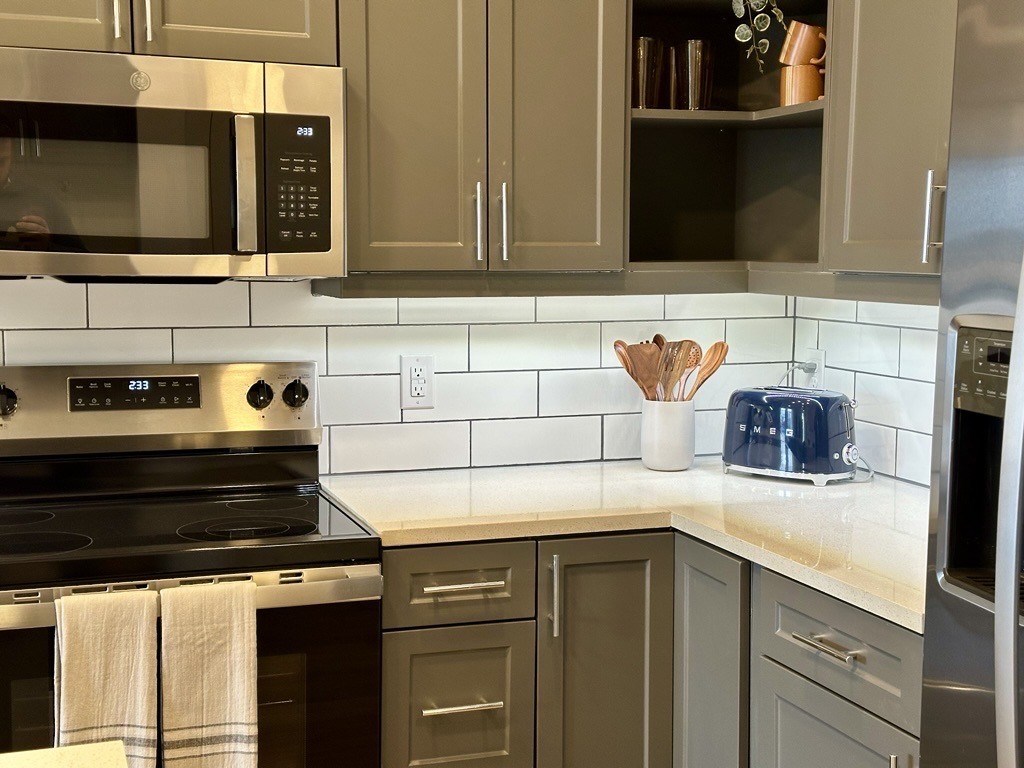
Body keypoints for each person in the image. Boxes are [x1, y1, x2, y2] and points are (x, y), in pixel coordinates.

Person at [0, 116, 78, 251]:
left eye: (0, 161)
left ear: (12, 159)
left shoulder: (42, 201)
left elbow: (82, 263)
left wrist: (47, 247)